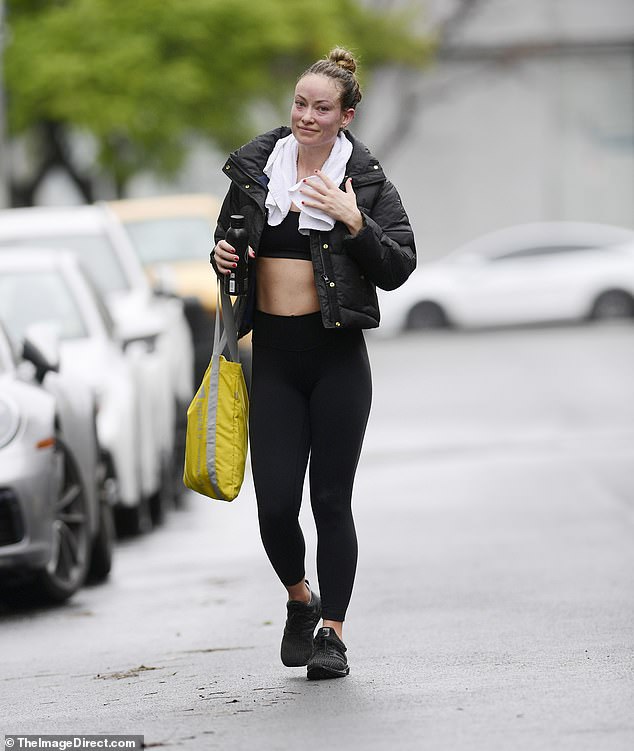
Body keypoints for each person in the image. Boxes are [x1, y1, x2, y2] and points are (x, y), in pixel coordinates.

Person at [210, 47, 416, 680]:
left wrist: (355, 220)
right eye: (300, 103)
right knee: (274, 504)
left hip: (336, 362)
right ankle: (302, 600)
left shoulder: (367, 181)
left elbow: (399, 265)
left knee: (330, 499)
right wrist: (223, 258)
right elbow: (229, 244)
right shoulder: (254, 172)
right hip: (271, 358)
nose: (305, 115)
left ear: (345, 116)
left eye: (321, 107)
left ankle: (333, 633)